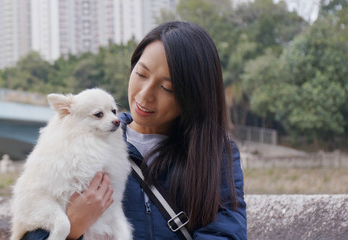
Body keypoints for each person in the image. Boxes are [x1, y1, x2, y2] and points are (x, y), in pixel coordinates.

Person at [21, 21, 246, 240]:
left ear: (193, 96)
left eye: (167, 87)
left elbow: (225, 232)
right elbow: (31, 220)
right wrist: (72, 228)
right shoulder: (72, 147)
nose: (145, 94)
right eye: (141, 74)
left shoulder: (217, 154)